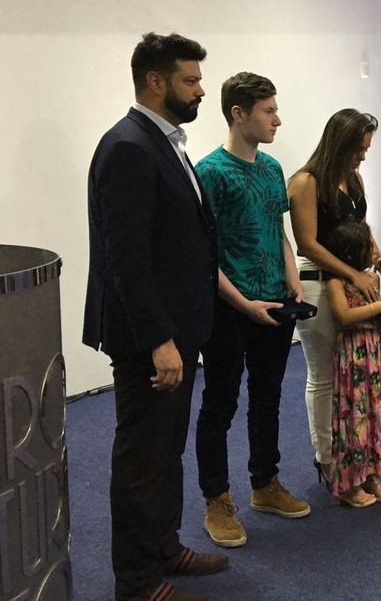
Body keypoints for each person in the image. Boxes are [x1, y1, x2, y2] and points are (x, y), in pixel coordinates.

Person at [84, 32, 227, 601]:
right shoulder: (128, 147)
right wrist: (160, 340)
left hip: (176, 331)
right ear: (155, 81)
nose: (199, 89)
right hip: (151, 339)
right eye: (190, 80)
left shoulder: (164, 141)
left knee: (167, 448)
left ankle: (165, 548)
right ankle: (136, 581)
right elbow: (127, 258)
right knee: (143, 456)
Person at [193, 72, 310, 550]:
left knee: (267, 396)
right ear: (238, 113)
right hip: (228, 308)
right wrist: (243, 303)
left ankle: (265, 483)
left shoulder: (271, 168)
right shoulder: (210, 172)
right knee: (220, 404)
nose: (277, 120)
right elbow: (203, 254)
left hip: (275, 302)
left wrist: (293, 278)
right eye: (268, 111)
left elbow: (276, 229)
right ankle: (217, 501)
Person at [288, 109, 381, 483]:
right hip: (317, 283)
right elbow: (308, 244)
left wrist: (377, 258)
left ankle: (353, 452)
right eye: (358, 149)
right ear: (340, 144)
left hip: (350, 283)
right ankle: (327, 458)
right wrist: (352, 273)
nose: (363, 156)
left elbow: (362, 227)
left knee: (353, 376)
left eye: (365, 149)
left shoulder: (355, 179)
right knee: (323, 376)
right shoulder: (304, 182)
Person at [324, 219, 381, 505]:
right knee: (354, 416)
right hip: (353, 357)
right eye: (368, 246)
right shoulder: (335, 280)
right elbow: (343, 316)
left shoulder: (373, 278)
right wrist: (376, 308)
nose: (374, 251)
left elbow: (370, 311)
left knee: (375, 412)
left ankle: (371, 473)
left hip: (374, 352)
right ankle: (349, 482)